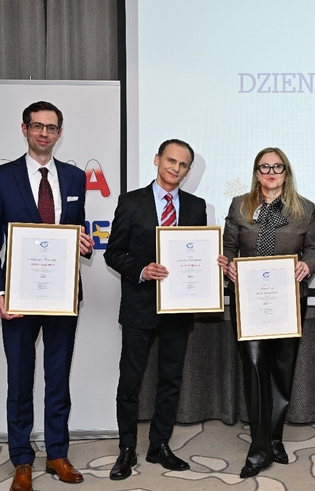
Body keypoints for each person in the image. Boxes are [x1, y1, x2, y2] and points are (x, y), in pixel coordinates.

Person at [0, 101, 94, 491]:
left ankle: (57, 454)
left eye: (51, 127)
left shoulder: (75, 178)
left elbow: (76, 230)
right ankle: (22, 460)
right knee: (19, 381)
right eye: (37, 126)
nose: (44, 133)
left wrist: (85, 244)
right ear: (25, 129)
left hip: (62, 295)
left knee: (58, 379)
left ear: (60, 133)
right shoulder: (1, 177)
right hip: (18, 298)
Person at [104, 139, 207, 480]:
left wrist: (213, 263)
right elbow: (113, 253)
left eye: (183, 164)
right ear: (157, 160)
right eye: (171, 160)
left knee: (171, 380)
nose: (175, 168)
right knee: (130, 381)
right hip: (140, 306)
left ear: (188, 171)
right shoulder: (131, 202)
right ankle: (126, 449)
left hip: (179, 307)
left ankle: (159, 445)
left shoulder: (196, 207)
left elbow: (198, 253)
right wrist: (142, 270)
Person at [218, 147, 315, 478]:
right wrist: (229, 266)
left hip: (288, 301)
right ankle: (259, 447)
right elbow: (228, 248)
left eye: (277, 167)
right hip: (248, 301)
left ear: (286, 172)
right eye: (264, 167)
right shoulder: (240, 205)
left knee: (281, 369)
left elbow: (314, 249)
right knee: (253, 368)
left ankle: (274, 438)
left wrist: (307, 265)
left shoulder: (304, 208)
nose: (271, 173)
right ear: (256, 173)